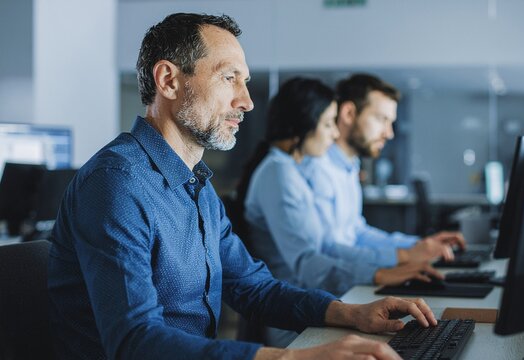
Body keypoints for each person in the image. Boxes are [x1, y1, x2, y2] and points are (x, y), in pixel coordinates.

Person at [47, 13, 438, 360]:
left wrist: (349, 313)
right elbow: (135, 342)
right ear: (168, 80)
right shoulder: (117, 183)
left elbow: (253, 288)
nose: (247, 101)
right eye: (228, 77)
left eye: (245, 81)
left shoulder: (196, 184)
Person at [238, 77, 442, 346]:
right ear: (303, 123)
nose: (334, 134)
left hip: (314, 302)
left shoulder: (288, 170)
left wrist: (393, 262)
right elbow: (308, 264)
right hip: (294, 317)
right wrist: (380, 271)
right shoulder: (278, 172)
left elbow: (328, 246)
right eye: (327, 124)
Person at [300, 74, 466, 264]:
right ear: (348, 114)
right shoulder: (316, 168)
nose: (389, 133)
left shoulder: (348, 166)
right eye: (382, 119)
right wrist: (404, 256)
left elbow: (356, 233)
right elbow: (328, 250)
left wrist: (419, 245)